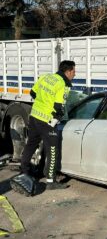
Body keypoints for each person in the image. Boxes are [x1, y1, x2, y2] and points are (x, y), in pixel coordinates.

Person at [11, 60, 76, 195]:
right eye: (74, 72)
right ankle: (51, 181)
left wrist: (43, 102)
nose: (74, 74)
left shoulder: (46, 77)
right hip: (47, 121)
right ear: (68, 71)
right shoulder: (62, 85)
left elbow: (33, 93)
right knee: (52, 149)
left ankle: (24, 171)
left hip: (34, 116)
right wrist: (56, 117)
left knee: (31, 144)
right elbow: (59, 107)